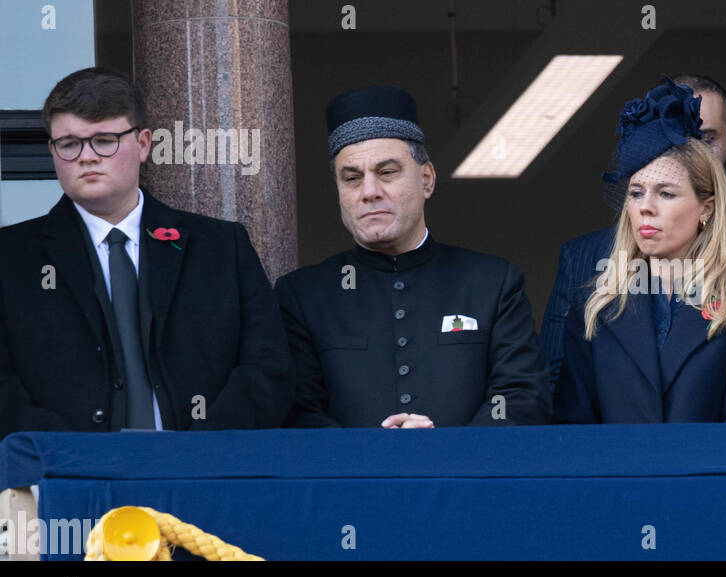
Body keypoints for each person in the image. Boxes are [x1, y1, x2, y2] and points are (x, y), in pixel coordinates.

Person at [0, 67, 293, 437]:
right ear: (52, 151)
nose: (87, 157)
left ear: (143, 144)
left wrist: (202, 450)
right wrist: (70, 454)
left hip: (206, 473)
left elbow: (269, 367)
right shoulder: (10, 259)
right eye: (70, 144)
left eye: (104, 140)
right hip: (65, 476)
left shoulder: (221, 247)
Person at [541, 74, 726, 394]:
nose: (690, 154)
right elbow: (554, 393)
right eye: (674, 138)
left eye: (706, 139)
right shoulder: (585, 258)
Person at [275, 85, 549, 428]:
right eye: (352, 178)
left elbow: (522, 395)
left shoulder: (492, 282)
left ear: (427, 179)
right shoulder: (303, 296)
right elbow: (296, 410)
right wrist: (369, 457)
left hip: (465, 479)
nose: (370, 192)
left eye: (387, 172)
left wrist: (447, 452)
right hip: (350, 480)